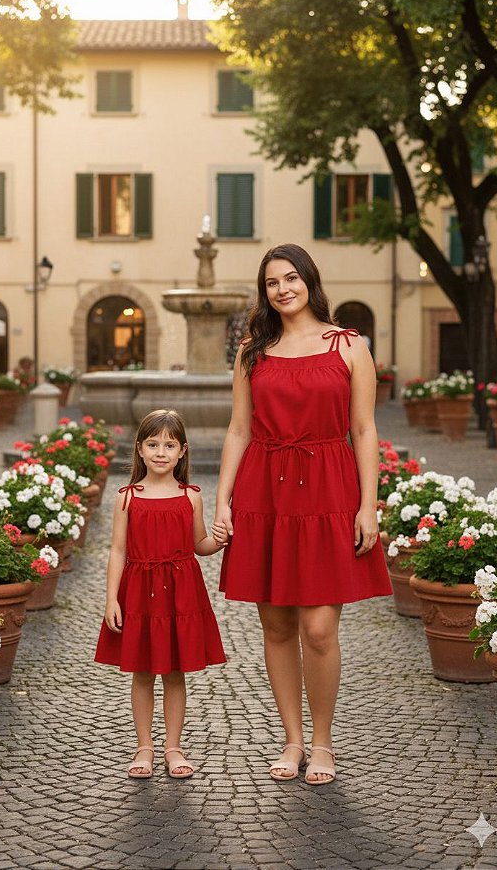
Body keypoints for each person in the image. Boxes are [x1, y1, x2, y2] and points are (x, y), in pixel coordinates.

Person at [212, 243, 392, 786]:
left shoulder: (350, 346)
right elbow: (238, 429)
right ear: (263, 292)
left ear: (310, 281)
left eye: (291, 278)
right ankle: (292, 740)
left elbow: (363, 429)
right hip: (264, 489)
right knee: (276, 622)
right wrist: (222, 499)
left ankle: (322, 742)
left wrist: (368, 504)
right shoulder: (253, 351)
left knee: (318, 628)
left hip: (329, 489)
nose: (283, 289)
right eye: (272, 282)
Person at [94, 409, 228, 780]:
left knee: (173, 672)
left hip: (180, 593)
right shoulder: (126, 497)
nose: (160, 452)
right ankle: (144, 747)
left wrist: (218, 541)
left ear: (183, 451)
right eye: (153, 444)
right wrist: (111, 599)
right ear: (139, 449)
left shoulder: (191, 497)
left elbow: (199, 544)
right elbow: (117, 550)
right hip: (138, 592)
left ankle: (173, 746)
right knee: (141, 672)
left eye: (169, 445)